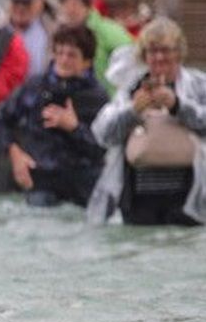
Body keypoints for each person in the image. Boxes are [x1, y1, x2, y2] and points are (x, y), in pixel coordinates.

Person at [87, 17, 206, 226]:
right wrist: (133, 111)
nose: (159, 57)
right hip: (138, 199)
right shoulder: (130, 88)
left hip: (189, 195)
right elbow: (102, 133)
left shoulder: (198, 85)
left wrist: (178, 106)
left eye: (166, 50)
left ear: (179, 52)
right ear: (143, 55)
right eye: (152, 51)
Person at [0, 25, 108, 207]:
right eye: (59, 53)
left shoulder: (97, 97)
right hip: (42, 182)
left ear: (87, 62)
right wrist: (15, 154)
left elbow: (103, 148)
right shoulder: (35, 87)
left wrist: (74, 128)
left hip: (84, 184)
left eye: (71, 55)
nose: (63, 60)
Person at [58, 0, 134, 95]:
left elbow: (131, 58)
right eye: (66, 4)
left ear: (88, 6)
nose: (70, 10)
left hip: (107, 101)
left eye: (75, 4)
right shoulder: (59, 34)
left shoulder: (108, 31)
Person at [6, 0, 54, 78]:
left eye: (26, 2)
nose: (21, 7)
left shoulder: (53, 31)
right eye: (16, 2)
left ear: (39, 3)